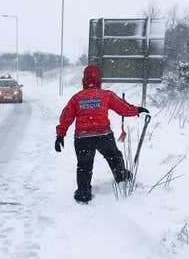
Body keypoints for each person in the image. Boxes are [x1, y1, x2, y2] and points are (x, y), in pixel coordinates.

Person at [54, 65, 149, 203]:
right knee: (114, 156)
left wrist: (60, 135)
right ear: (99, 79)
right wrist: (137, 110)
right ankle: (121, 176)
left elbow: (66, 117)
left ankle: (83, 193)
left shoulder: (77, 98)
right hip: (103, 135)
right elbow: (123, 108)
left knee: (84, 165)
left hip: (82, 137)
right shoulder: (106, 95)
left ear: (84, 79)